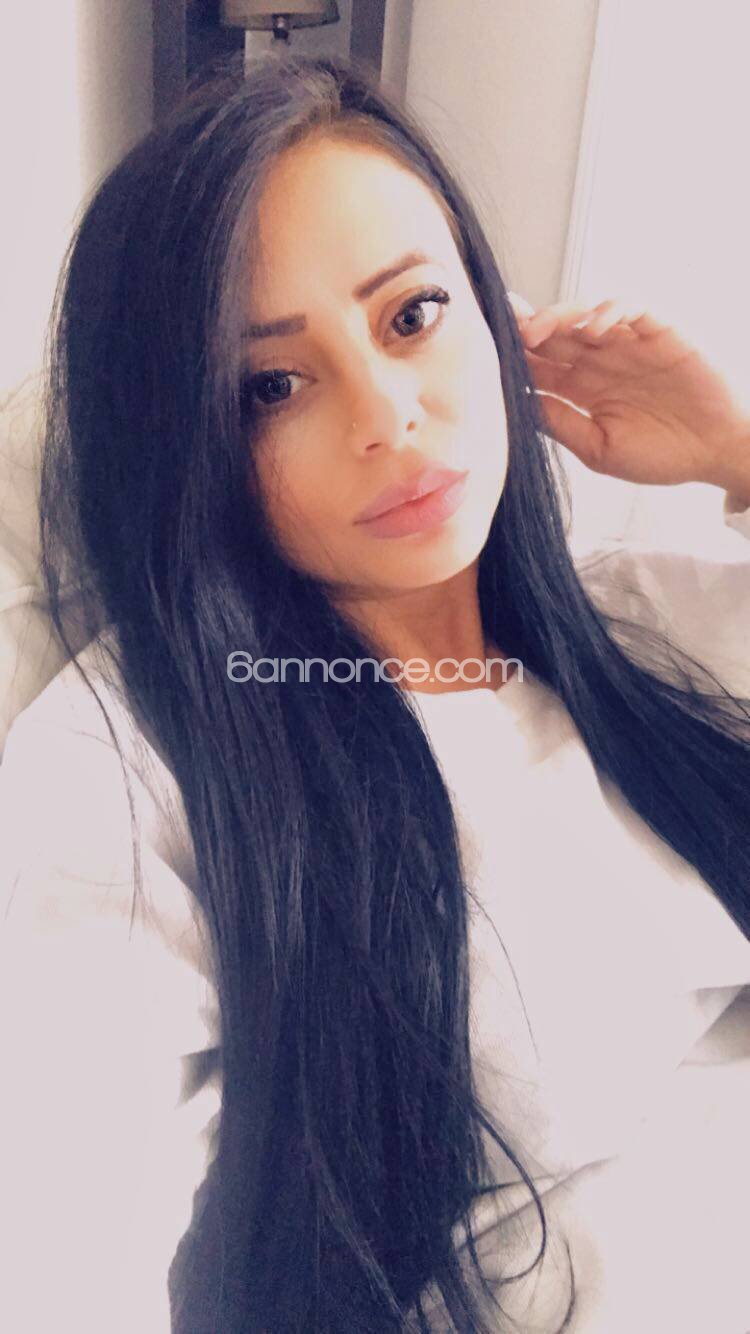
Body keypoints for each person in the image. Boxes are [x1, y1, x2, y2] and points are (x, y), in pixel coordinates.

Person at [1, 49, 749, 1334]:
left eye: (412, 315)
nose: (388, 415)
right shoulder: (133, 764)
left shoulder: (643, 616)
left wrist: (739, 454)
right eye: (272, 386)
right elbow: (61, 1202)